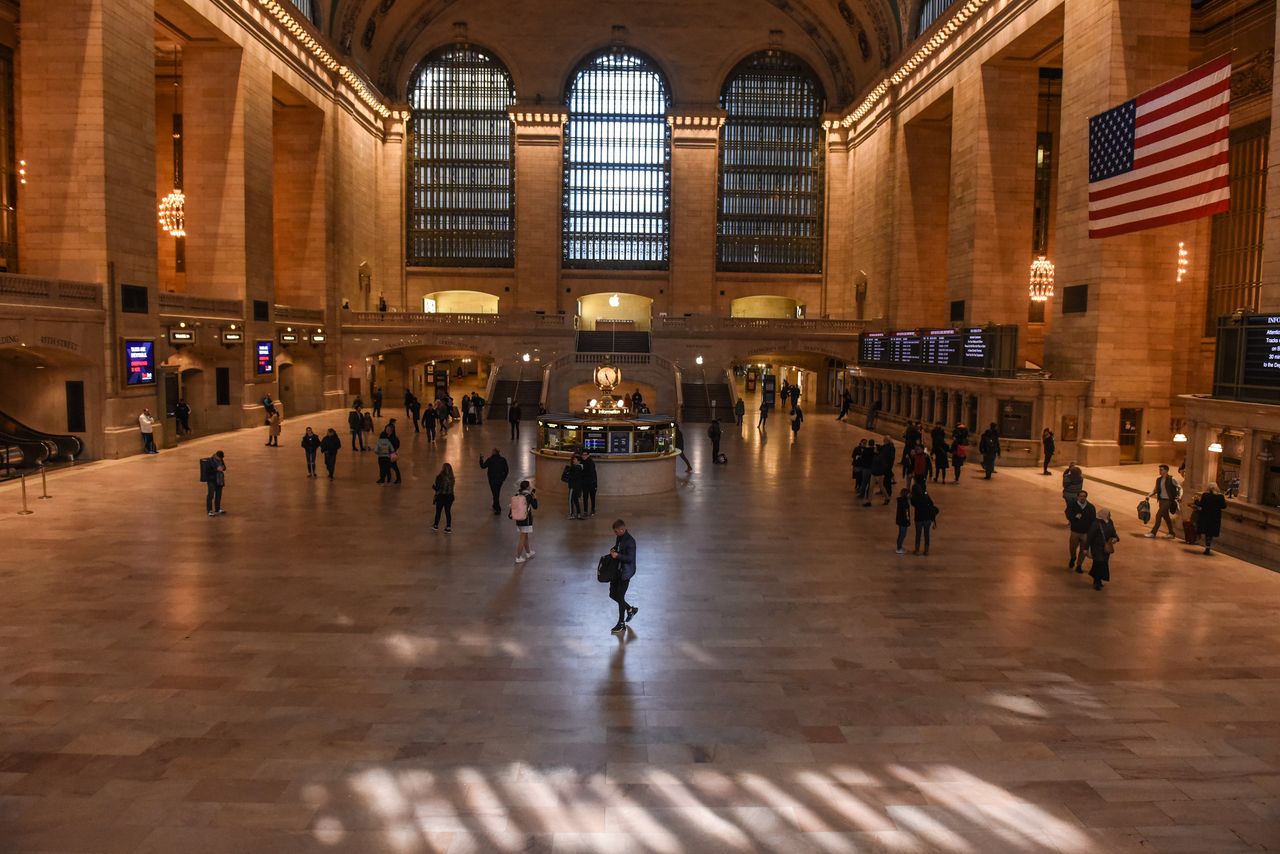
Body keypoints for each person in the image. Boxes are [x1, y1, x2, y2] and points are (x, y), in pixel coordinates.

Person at [607, 519, 638, 633]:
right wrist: (614, 549)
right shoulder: (620, 537)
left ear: (622, 529)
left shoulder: (630, 542)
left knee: (620, 597)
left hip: (625, 573)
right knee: (612, 594)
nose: (615, 533)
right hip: (618, 571)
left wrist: (617, 555)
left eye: (616, 531)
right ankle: (631, 609)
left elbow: (630, 558)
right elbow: (618, 547)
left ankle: (621, 623)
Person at [1144, 464, 1182, 539]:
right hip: (1161, 500)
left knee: (1158, 515)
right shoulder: (1158, 480)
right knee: (1166, 517)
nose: (1160, 471)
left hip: (1168, 501)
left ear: (1166, 471)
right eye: (1159, 470)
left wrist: (1180, 496)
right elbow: (1155, 490)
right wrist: (1149, 495)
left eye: (1161, 470)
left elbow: (1180, 488)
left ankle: (1153, 532)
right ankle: (1171, 533)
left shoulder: (1172, 479)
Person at [1086, 508, 1119, 591]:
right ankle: (1097, 581)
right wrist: (1086, 548)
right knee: (1099, 563)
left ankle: (1098, 580)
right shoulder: (1096, 523)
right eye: (1108, 514)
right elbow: (1090, 536)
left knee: (1103, 563)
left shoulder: (1110, 522)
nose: (1110, 515)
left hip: (1105, 548)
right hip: (1097, 548)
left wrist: (1116, 538)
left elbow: (1113, 532)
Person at [1066, 489, 1097, 573]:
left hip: (1086, 533)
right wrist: (1074, 518)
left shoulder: (1091, 507)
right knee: (1072, 547)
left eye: (1084, 496)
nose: (1082, 498)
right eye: (1081, 496)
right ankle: (1073, 557)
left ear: (1086, 497)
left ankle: (1079, 565)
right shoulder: (1072, 505)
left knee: (1083, 550)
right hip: (1075, 531)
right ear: (1078, 497)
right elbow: (1068, 514)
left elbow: (1093, 520)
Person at [1194, 483, 1226, 555]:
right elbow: (1224, 506)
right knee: (1210, 533)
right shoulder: (1220, 497)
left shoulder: (1205, 495)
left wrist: (1196, 501)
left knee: (1206, 531)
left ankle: (1205, 545)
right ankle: (1208, 546)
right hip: (1215, 517)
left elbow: (1201, 504)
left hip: (1205, 516)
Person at [511, 480, 538, 563]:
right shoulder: (529, 496)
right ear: (527, 487)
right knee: (522, 538)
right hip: (526, 519)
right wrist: (535, 498)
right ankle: (518, 557)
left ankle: (528, 552)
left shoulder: (517, 494)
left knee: (525, 536)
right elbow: (535, 506)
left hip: (518, 518)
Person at [909, 480, 937, 555]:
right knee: (927, 534)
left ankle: (917, 550)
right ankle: (926, 551)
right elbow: (931, 503)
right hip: (927, 518)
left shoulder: (914, 498)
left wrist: (911, 497)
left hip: (918, 518)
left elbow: (912, 504)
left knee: (918, 534)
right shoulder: (926, 495)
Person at [479, 448, 510, 515]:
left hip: (492, 480)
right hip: (500, 480)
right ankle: (494, 505)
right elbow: (506, 470)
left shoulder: (490, 460)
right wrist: (503, 478)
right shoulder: (503, 460)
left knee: (495, 493)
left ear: (493, 453)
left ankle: (498, 508)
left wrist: (481, 459)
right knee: (496, 493)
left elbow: (483, 466)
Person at [432, 463, 455, 532]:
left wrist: (434, 487)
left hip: (441, 496)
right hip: (450, 497)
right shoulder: (452, 478)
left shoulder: (439, 477)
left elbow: (438, 488)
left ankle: (436, 525)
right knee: (447, 512)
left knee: (438, 512)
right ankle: (448, 527)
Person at [562, 453, 586, 519]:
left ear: (578, 461)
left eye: (575, 459)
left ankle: (571, 514)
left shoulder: (575, 468)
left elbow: (571, 477)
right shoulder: (581, 467)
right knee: (576, 500)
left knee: (570, 500)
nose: (573, 461)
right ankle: (578, 514)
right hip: (578, 487)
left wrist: (567, 474)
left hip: (573, 486)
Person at [203, 450, 226, 516]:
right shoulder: (210, 461)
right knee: (211, 495)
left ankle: (217, 508)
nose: (221, 459)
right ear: (216, 456)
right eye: (220, 458)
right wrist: (216, 470)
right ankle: (209, 510)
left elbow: (224, 467)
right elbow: (208, 471)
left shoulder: (221, 460)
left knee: (218, 495)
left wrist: (223, 468)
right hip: (211, 480)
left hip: (219, 480)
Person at [580, 450, 598, 515]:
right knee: (585, 497)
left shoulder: (591, 463)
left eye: (585, 455)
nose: (584, 456)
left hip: (592, 483)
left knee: (592, 497)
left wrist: (595, 484)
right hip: (584, 484)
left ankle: (593, 509)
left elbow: (590, 473)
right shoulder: (581, 462)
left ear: (588, 455)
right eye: (583, 455)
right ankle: (585, 511)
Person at [894, 487, 911, 555]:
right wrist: (908, 521)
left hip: (899, 520)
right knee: (902, 535)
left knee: (900, 534)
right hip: (903, 521)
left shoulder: (900, 501)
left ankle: (899, 546)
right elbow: (906, 513)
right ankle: (899, 548)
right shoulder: (905, 503)